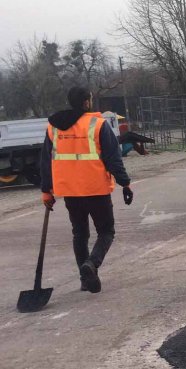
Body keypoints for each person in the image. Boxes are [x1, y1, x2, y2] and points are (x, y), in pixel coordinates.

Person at [40, 86, 134, 293]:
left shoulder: (53, 127)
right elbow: (113, 158)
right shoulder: (97, 125)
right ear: (86, 102)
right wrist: (125, 183)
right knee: (106, 231)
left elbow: (46, 160)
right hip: (95, 188)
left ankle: (85, 279)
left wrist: (47, 190)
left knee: (79, 234)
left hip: (70, 191)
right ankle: (91, 265)